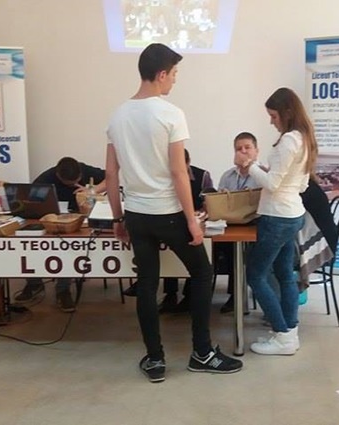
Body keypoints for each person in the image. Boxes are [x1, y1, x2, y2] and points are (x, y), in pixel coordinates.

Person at [105, 42, 242, 382]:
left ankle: (155, 360)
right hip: (167, 213)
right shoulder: (170, 114)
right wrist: (192, 221)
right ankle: (202, 353)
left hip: (136, 215)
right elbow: (180, 172)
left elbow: (111, 173)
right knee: (203, 274)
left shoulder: (118, 115)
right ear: (162, 74)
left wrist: (118, 218)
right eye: (175, 73)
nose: (176, 80)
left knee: (146, 284)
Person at [234, 87, 318, 356]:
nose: (271, 121)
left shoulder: (289, 140)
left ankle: (283, 335)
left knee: (255, 275)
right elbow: (299, 184)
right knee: (284, 275)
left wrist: (250, 166)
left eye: (273, 116)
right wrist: (260, 167)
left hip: (278, 216)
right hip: (292, 214)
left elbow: (272, 184)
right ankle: (289, 333)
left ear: (286, 112)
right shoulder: (304, 139)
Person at [14, 156, 105, 312]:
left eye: (75, 182)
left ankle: (63, 290)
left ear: (80, 173)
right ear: (58, 175)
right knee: (28, 243)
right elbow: (29, 201)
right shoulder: (45, 178)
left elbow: (110, 177)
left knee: (66, 247)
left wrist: (93, 190)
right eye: (67, 184)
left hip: (78, 220)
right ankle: (34, 283)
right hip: (52, 218)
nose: (72, 186)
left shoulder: (84, 169)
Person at [158, 148, 214, 313]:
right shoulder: (165, 177)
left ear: (188, 163)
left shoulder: (202, 176)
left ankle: (190, 296)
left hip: (197, 224)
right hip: (172, 222)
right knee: (168, 250)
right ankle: (170, 295)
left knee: (198, 256)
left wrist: (199, 213)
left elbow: (210, 203)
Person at [215, 131, 262, 313]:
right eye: (238, 149)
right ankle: (235, 295)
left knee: (245, 252)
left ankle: (241, 295)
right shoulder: (227, 176)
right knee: (221, 248)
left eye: (247, 148)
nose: (243, 152)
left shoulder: (264, 174)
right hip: (231, 225)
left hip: (256, 225)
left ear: (256, 151)